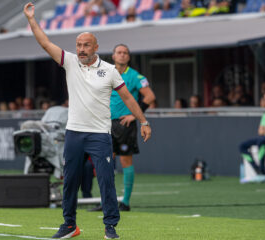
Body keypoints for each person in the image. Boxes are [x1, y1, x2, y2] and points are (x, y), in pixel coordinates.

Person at [24, 3, 151, 239]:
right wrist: (32, 19)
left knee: (106, 180)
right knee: (69, 180)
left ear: (96, 47)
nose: (81, 49)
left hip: (100, 135)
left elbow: (128, 98)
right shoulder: (70, 62)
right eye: (79, 45)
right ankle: (69, 225)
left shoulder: (110, 70)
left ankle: (110, 227)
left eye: (86, 45)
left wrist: (143, 121)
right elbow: (44, 42)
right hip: (74, 133)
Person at [90, 44, 155, 212]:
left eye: (125, 53)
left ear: (129, 57)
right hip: (105, 123)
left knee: (125, 160)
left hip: (124, 124)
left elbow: (150, 96)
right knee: (105, 162)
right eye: (119, 52)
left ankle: (125, 202)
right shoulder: (104, 72)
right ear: (113, 56)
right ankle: (107, 201)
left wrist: (135, 115)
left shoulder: (135, 76)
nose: (122, 55)